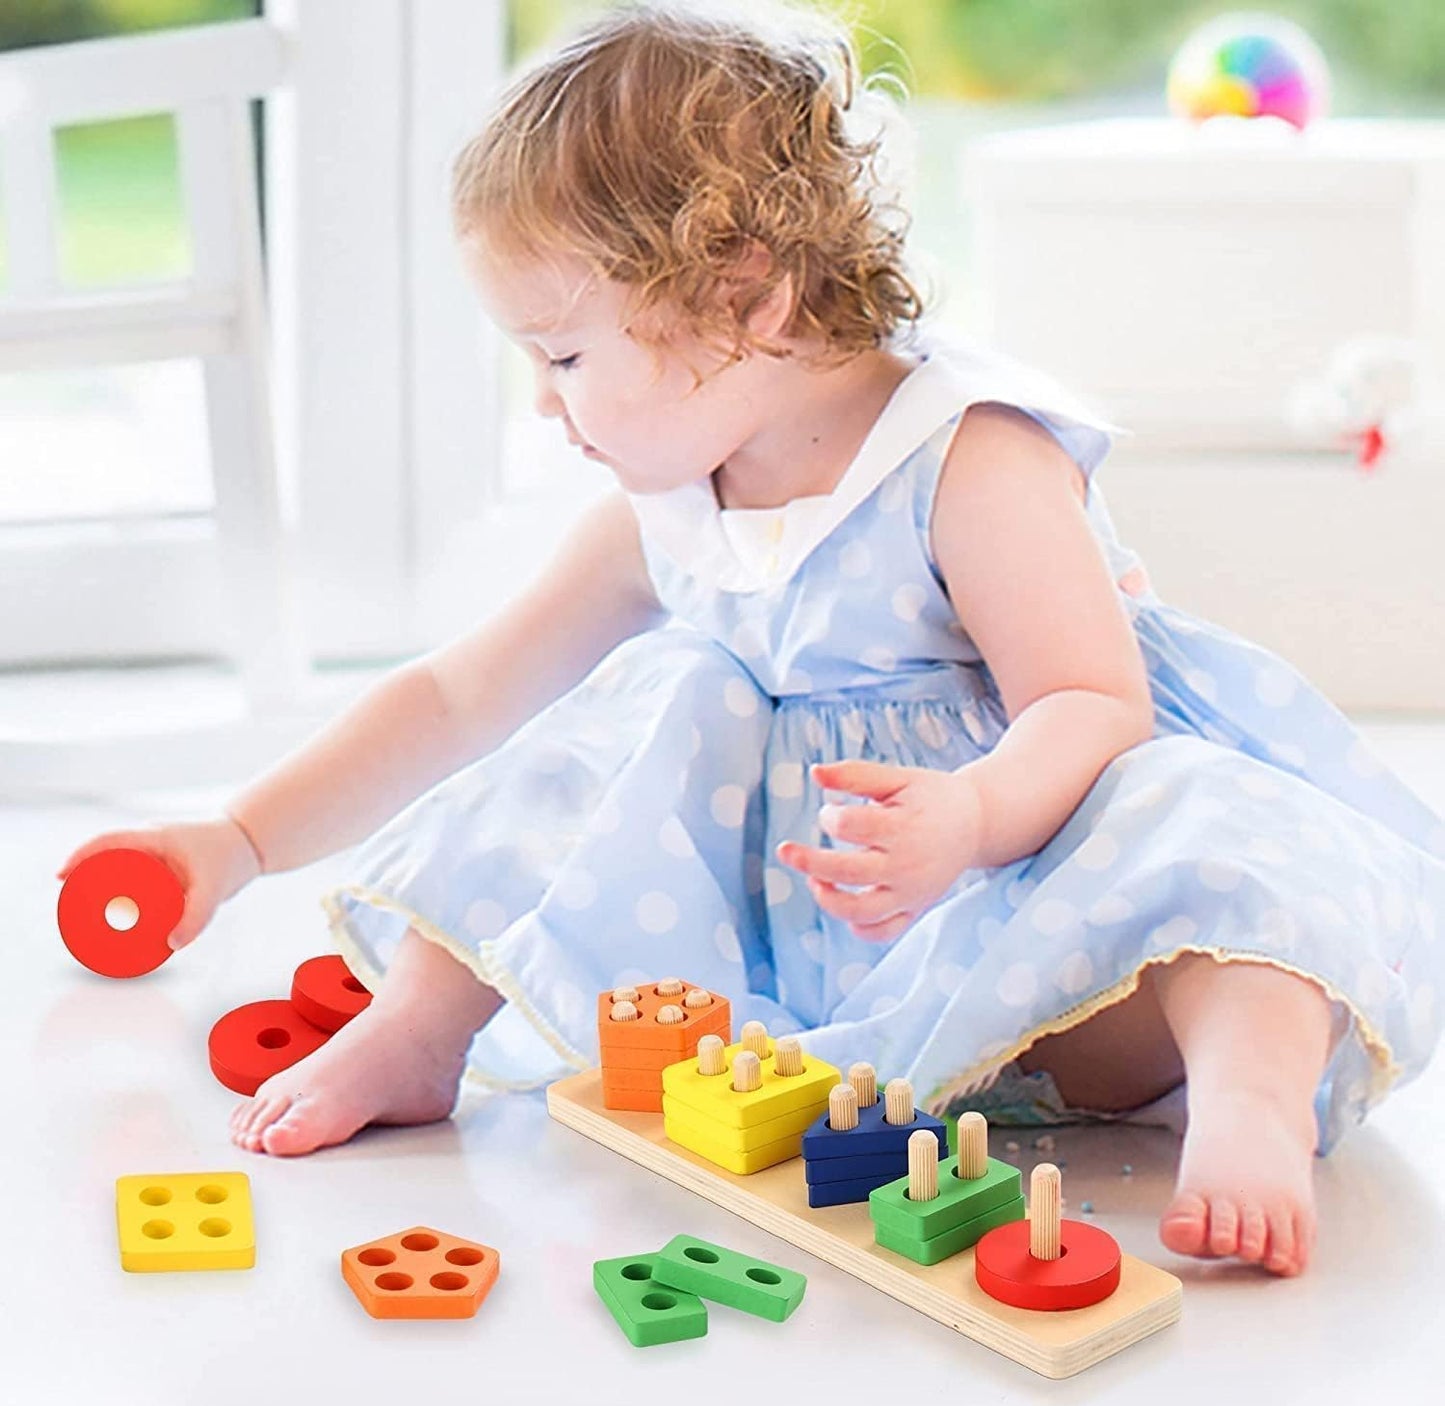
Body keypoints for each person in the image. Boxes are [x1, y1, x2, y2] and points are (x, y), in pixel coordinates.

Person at [59, 1, 1445, 1278]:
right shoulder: (668, 505)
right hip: (803, 954)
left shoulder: (966, 458)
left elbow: (1092, 701)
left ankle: (1250, 1101)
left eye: (562, 354)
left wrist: (967, 816)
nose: (547, 406)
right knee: (623, 715)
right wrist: (236, 843)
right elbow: (458, 696)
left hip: (1035, 915)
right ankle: (425, 1029)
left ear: (744, 299)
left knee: (1219, 843)